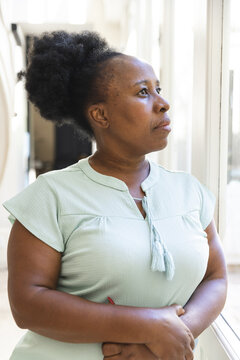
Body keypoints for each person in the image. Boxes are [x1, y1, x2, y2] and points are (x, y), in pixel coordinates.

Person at [3, 30, 227, 360]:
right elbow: (28, 304)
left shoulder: (189, 191)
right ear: (100, 115)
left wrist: (176, 334)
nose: (162, 103)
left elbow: (216, 277)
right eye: (143, 92)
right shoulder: (50, 196)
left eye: (158, 90)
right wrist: (147, 326)